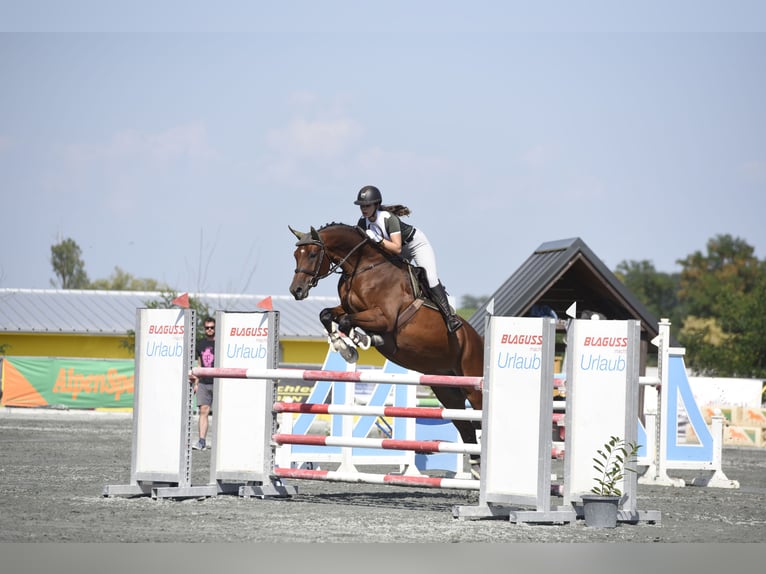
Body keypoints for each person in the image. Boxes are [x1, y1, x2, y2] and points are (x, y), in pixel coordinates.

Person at [354, 184, 463, 332]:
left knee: (430, 278)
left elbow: (397, 247)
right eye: (361, 206)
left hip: (415, 245)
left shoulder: (388, 219)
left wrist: (378, 240)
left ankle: (450, 318)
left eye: (367, 205)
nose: (364, 209)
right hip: (394, 250)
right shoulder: (362, 223)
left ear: (376, 204)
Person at [189, 316, 216, 450]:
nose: (209, 330)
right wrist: (196, 383)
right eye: (207, 328)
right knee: (203, 411)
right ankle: (201, 441)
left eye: (212, 327)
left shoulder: (222, 343)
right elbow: (199, 364)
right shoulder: (200, 344)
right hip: (204, 382)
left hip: (219, 382)